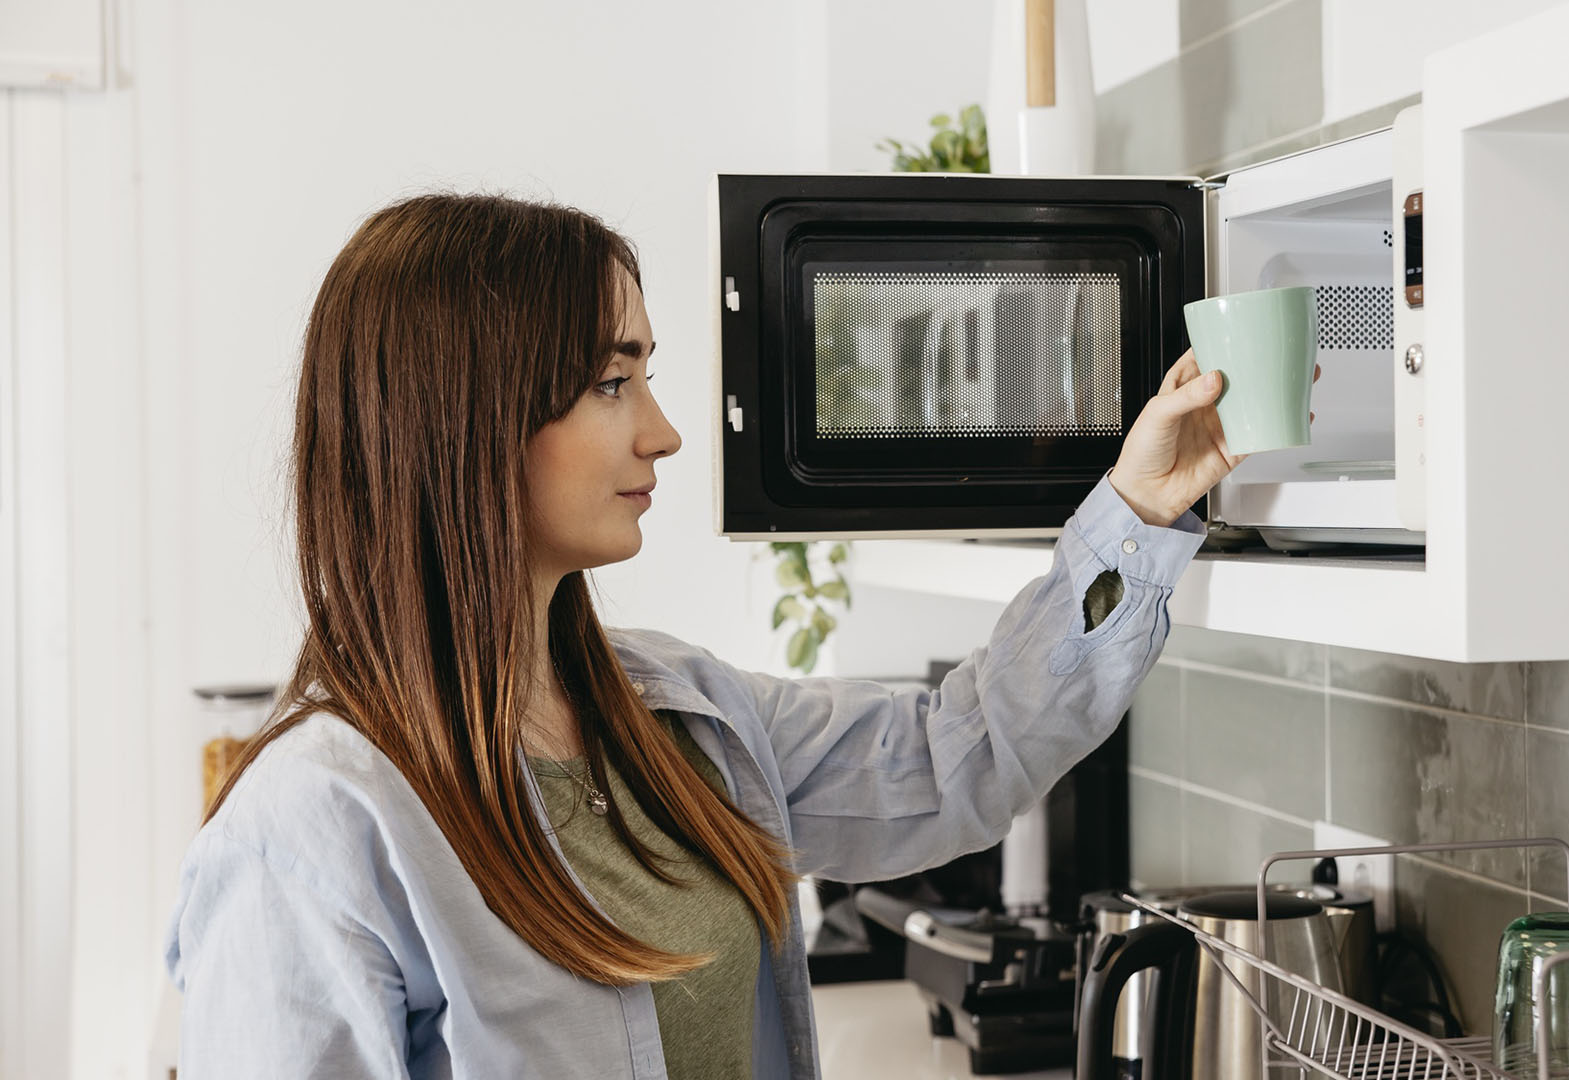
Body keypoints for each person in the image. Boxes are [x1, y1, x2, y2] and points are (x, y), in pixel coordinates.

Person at [163, 192, 1253, 1079]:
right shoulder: (310, 834)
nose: (666, 430)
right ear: (468, 422)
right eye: (611, 381)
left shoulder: (674, 716)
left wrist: (1138, 508)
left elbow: (951, 756)